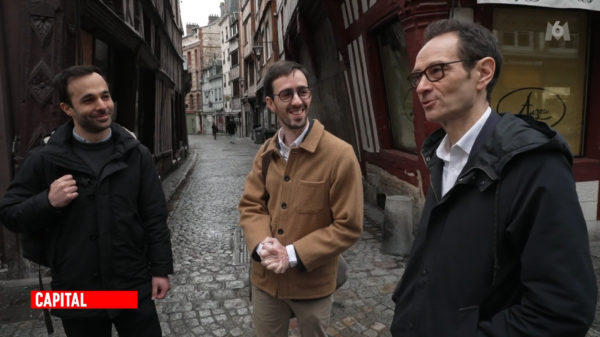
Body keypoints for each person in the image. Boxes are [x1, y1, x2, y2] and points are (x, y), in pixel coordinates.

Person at [390, 19, 597, 336]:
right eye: (417, 76)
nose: (420, 87)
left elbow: (561, 311)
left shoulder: (534, 163)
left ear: (483, 73)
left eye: (437, 71)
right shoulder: (441, 155)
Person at [0, 65, 173, 337]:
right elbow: (9, 213)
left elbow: (155, 216)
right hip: (76, 289)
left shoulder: (136, 154)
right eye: (88, 100)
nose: (102, 105)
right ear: (67, 109)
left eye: (105, 96)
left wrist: (161, 270)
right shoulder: (45, 158)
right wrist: (47, 201)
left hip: (131, 283)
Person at [238, 60, 363, 337]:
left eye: (302, 92)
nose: (297, 101)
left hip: (312, 286)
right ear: (270, 103)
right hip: (266, 284)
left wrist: (291, 254)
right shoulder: (265, 153)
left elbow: (348, 225)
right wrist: (260, 245)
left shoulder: (339, 155)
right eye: (287, 94)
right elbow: (251, 205)